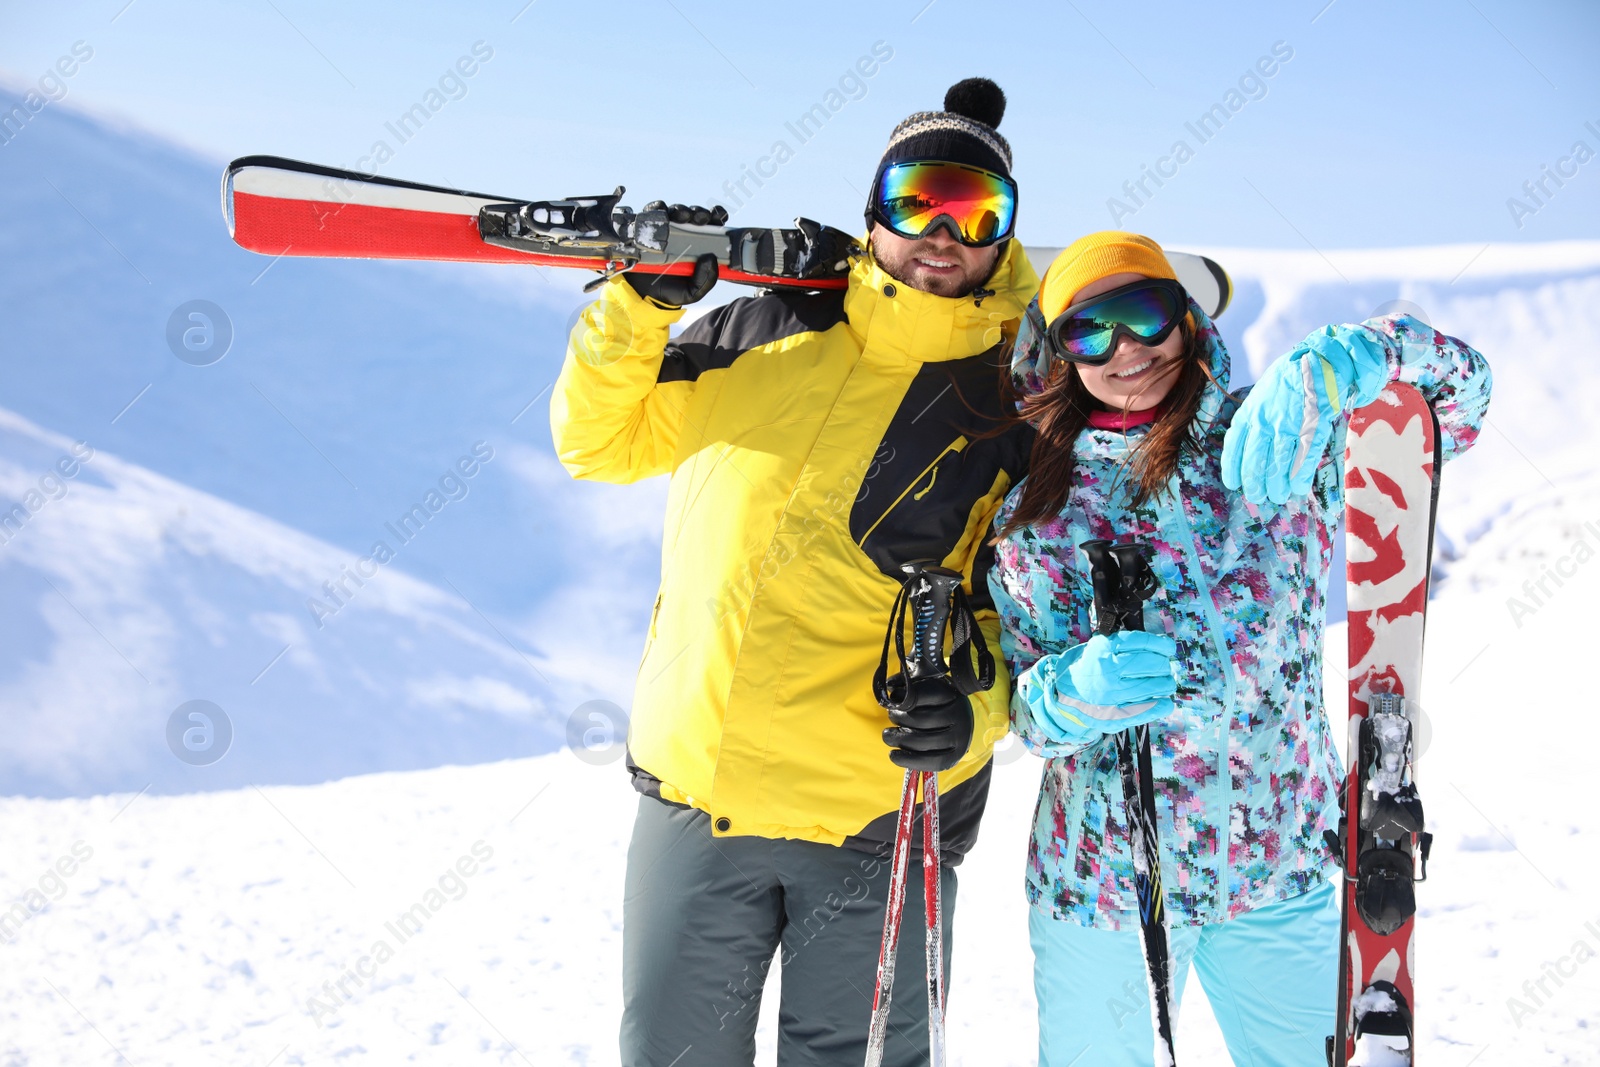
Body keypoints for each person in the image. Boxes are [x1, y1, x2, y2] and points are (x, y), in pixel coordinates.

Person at [551, 78, 1037, 1065]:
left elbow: (1035, 618)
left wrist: (976, 710)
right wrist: (638, 305)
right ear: (873, 211)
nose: (943, 232)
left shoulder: (1015, 404)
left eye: (976, 210)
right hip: (698, 791)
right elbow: (600, 443)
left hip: (877, 812)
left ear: (1001, 236)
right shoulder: (752, 332)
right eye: (918, 200)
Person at [986, 232, 1491, 1066]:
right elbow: (1026, 712)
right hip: (1106, 888)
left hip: (1278, 871)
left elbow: (1453, 414)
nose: (1127, 352)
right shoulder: (1042, 508)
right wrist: (1068, 693)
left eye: (1144, 315)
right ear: (1060, 352)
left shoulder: (1282, 438)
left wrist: (1364, 355)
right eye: (1090, 332)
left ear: (1185, 316)